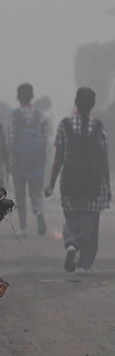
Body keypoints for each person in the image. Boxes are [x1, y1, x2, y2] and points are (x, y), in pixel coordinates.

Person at [45, 87, 111, 274]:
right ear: (92, 105)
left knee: (71, 218)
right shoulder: (98, 127)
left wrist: (51, 183)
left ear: (76, 102)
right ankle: (84, 264)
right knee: (89, 222)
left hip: (70, 182)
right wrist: (107, 184)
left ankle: (71, 244)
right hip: (92, 183)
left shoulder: (64, 125)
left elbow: (58, 157)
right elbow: (103, 158)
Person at [9, 83, 48, 236]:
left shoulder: (14, 115)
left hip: (19, 160)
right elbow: (44, 137)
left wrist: (11, 157)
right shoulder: (40, 115)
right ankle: (38, 213)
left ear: (18, 97)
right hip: (35, 160)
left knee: (20, 194)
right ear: (32, 96)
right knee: (35, 192)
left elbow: (11, 138)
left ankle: (23, 227)